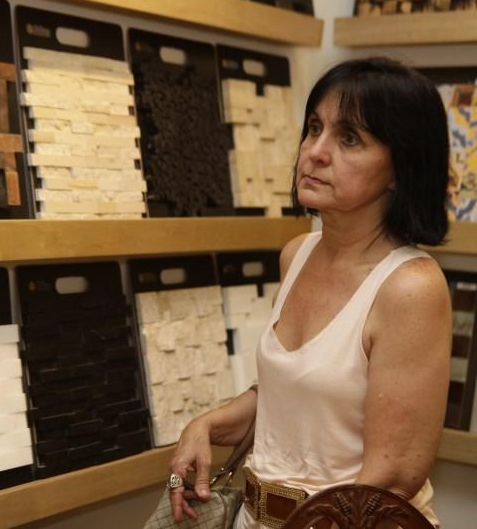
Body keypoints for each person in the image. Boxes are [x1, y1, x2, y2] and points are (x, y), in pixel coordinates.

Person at [166, 57, 452, 528]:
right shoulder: (297, 253)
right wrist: (207, 424)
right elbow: (298, 398)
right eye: (314, 128)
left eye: (349, 138)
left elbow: (392, 477)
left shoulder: (410, 287)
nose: (315, 152)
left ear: (400, 168)